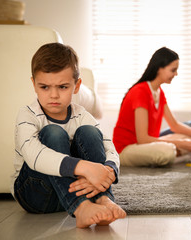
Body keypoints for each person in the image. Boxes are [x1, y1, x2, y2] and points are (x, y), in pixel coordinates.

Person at [11, 43, 126, 228]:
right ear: (34, 84)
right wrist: (85, 168)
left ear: (76, 85)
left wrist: (110, 170)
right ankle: (81, 209)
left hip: (73, 190)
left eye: (63, 87)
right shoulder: (27, 115)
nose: (54, 95)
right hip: (36, 195)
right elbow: (33, 156)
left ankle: (102, 199)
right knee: (53, 133)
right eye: (45, 87)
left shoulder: (82, 115)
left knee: (89, 132)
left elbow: (109, 147)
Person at [112, 47, 191, 167]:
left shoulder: (159, 92)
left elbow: (174, 125)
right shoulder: (140, 91)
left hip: (146, 145)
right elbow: (142, 139)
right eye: (173, 70)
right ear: (159, 68)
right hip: (127, 149)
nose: (176, 74)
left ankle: (174, 154)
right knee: (167, 151)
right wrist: (179, 144)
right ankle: (175, 155)